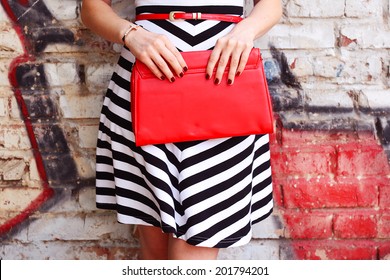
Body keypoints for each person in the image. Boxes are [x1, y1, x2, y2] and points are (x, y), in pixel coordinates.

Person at [81, 0, 282, 260]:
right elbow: (91, 8)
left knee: (193, 255)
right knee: (154, 255)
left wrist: (246, 30)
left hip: (225, 86)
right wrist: (131, 34)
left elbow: (272, 5)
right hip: (146, 84)